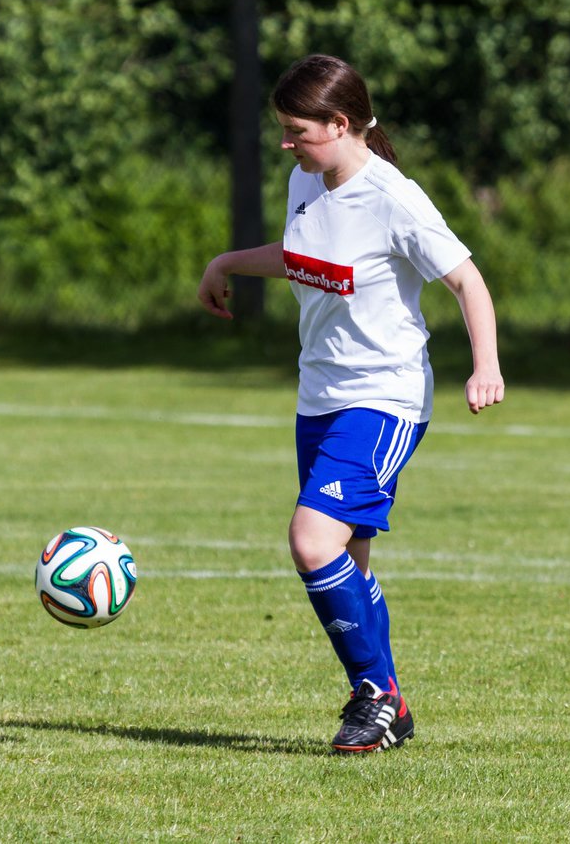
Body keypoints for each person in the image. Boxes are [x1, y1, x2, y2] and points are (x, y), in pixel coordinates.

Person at [198, 54, 504, 753]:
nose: (286, 143)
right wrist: (226, 265)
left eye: (296, 130)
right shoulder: (304, 180)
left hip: (385, 397)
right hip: (319, 399)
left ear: (340, 124)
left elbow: (466, 280)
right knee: (350, 562)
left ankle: (374, 693)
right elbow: (300, 255)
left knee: (312, 540)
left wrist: (485, 364)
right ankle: (388, 706)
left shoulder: (394, 198)